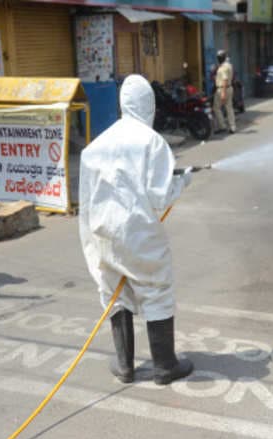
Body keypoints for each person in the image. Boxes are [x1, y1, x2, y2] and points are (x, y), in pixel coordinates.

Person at [79, 74, 194, 386]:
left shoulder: (96, 145)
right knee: (155, 290)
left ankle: (125, 366)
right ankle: (165, 366)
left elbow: (86, 202)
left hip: (103, 233)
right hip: (138, 233)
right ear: (149, 104)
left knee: (114, 293)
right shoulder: (151, 141)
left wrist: (91, 243)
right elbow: (160, 197)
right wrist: (181, 182)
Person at [213, 49, 236, 134]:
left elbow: (225, 79)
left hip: (222, 89)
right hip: (229, 88)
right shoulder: (229, 65)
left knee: (216, 108)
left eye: (218, 57)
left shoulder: (223, 68)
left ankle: (222, 126)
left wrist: (222, 93)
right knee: (229, 107)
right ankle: (232, 127)